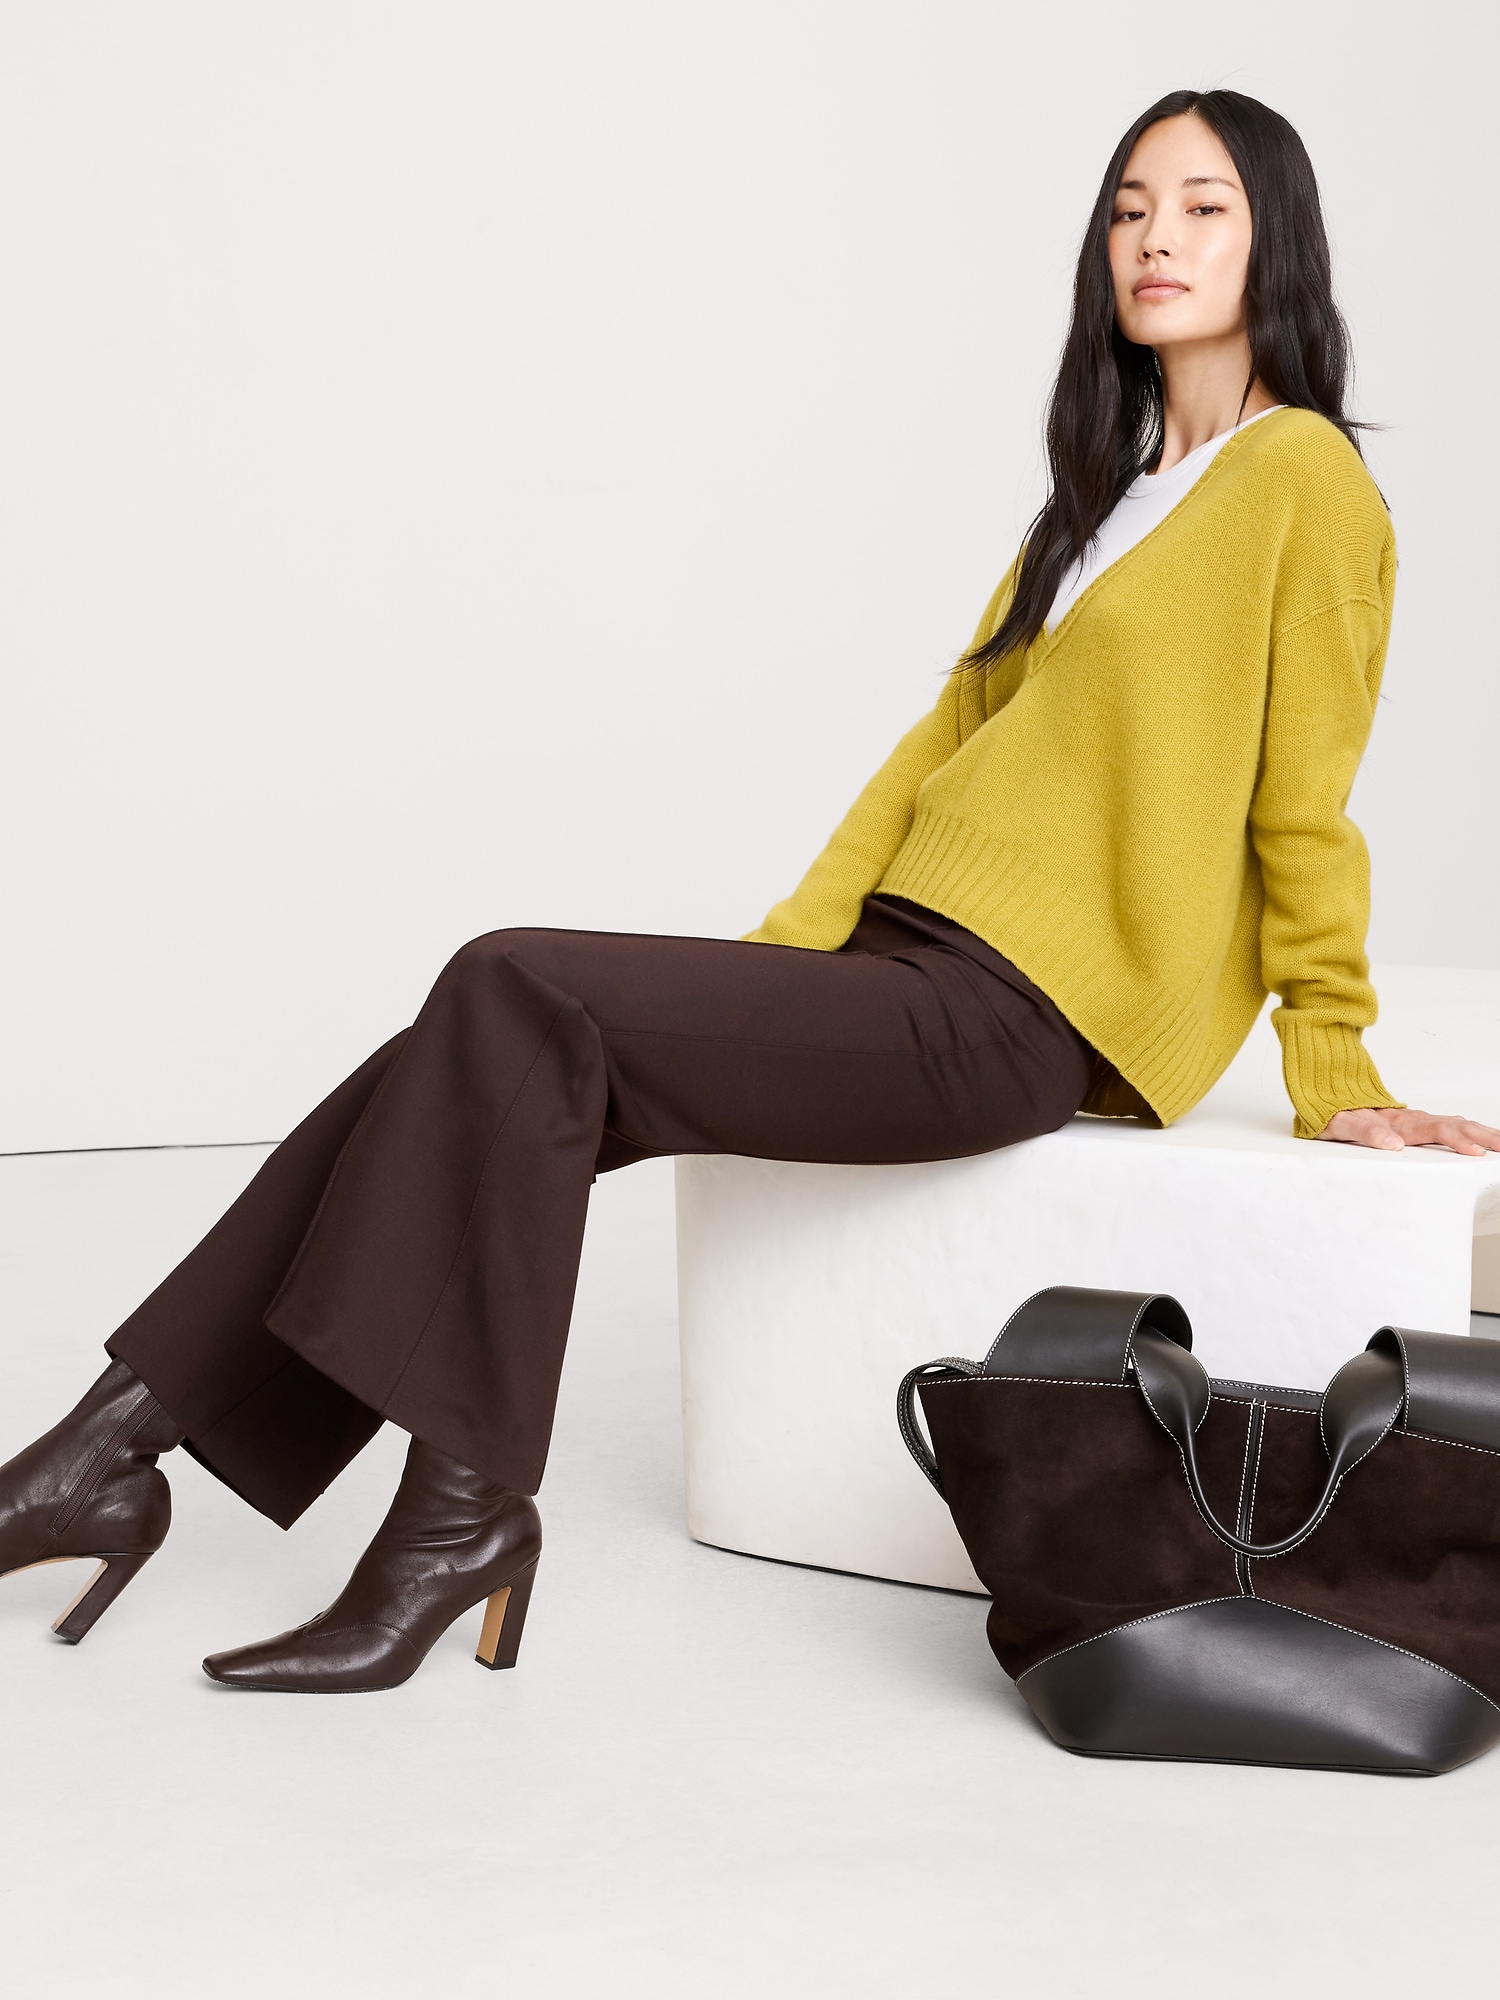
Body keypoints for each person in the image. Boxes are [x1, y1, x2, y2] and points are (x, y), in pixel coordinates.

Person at [4, 88, 1497, 1694]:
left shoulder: (1305, 484)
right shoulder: (1100, 496)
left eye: (1203, 206)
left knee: (509, 976)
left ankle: (442, 1520)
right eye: (1130, 206)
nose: (1156, 238)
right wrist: (780, 970)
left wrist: (1334, 1063)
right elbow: (934, 751)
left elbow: (1304, 802)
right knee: (451, 1059)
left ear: (1277, 240)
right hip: (903, 967)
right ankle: (104, 1455)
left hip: (1015, 1017)